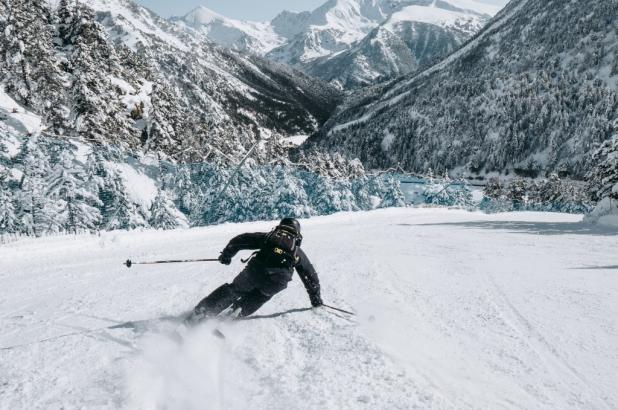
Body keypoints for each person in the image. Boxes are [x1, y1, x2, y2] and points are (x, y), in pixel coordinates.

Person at [189, 218, 323, 321]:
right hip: (277, 281)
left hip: (255, 271)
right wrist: (315, 298)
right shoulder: (297, 252)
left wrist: (226, 256)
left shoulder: (268, 238)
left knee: (234, 290)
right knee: (261, 296)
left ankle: (201, 312)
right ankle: (234, 314)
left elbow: (240, 240)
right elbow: (310, 276)